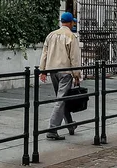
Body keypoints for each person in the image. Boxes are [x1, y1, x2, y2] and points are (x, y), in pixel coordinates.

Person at [39, 12, 81, 140]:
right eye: (73, 22)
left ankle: (70, 125)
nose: (74, 23)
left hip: (53, 70)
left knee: (62, 98)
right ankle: (52, 129)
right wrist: (77, 75)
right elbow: (74, 57)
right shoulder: (71, 36)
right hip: (65, 71)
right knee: (61, 100)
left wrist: (43, 70)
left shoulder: (51, 35)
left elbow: (44, 53)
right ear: (70, 22)